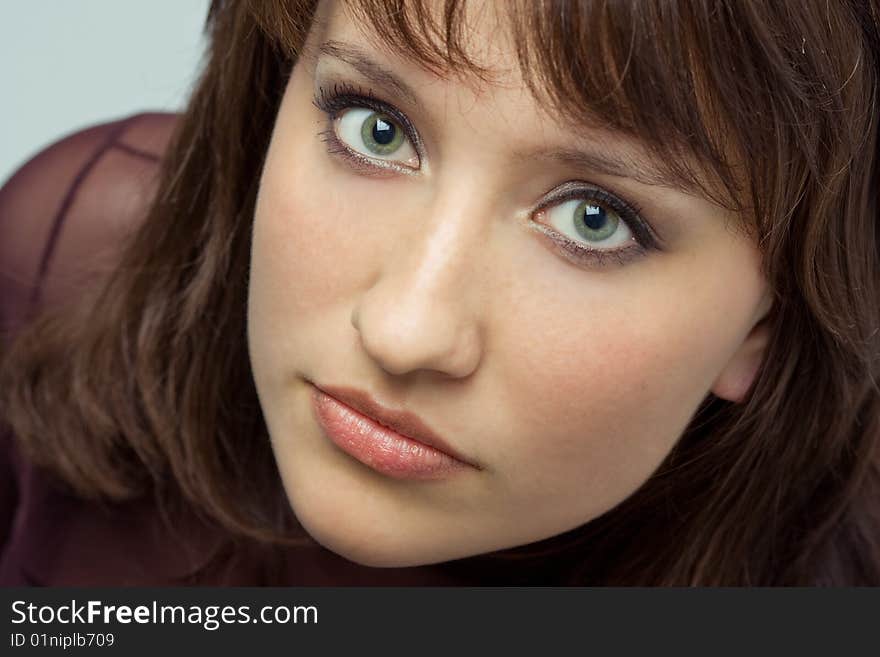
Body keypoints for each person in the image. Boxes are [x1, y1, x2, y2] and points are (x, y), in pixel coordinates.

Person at [1, 0, 878, 586]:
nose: (403, 330)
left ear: (768, 322)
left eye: (595, 220)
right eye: (374, 127)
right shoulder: (65, 255)